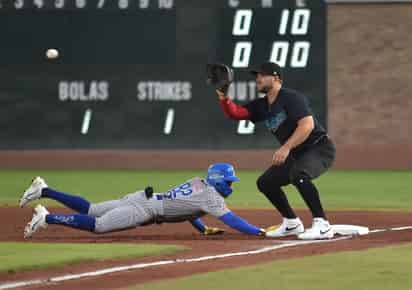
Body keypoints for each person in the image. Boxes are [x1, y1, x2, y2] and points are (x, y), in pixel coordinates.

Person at [217, 62, 336, 240]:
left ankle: (322, 224)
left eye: (262, 75)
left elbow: (307, 125)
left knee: (300, 175)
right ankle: (291, 223)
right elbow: (237, 113)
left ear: (276, 78)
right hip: (297, 153)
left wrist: (286, 147)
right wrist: (223, 97)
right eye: (256, 76)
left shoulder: (291, 98)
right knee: (266, 182)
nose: (258, 79)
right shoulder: (262, 105)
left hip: (319, 148)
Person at [20, 163, 270, 238]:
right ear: (217, 181)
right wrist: (258, 232)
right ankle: (46, 218)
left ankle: (45, 191)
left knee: (91, 209)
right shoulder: (211, 197)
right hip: (144, 210)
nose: (230, 185)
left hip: (142, 197)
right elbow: (234, 221)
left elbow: (185, 209)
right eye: (228, 181)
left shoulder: (198, 183)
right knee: (98, 225)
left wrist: (203, 229)